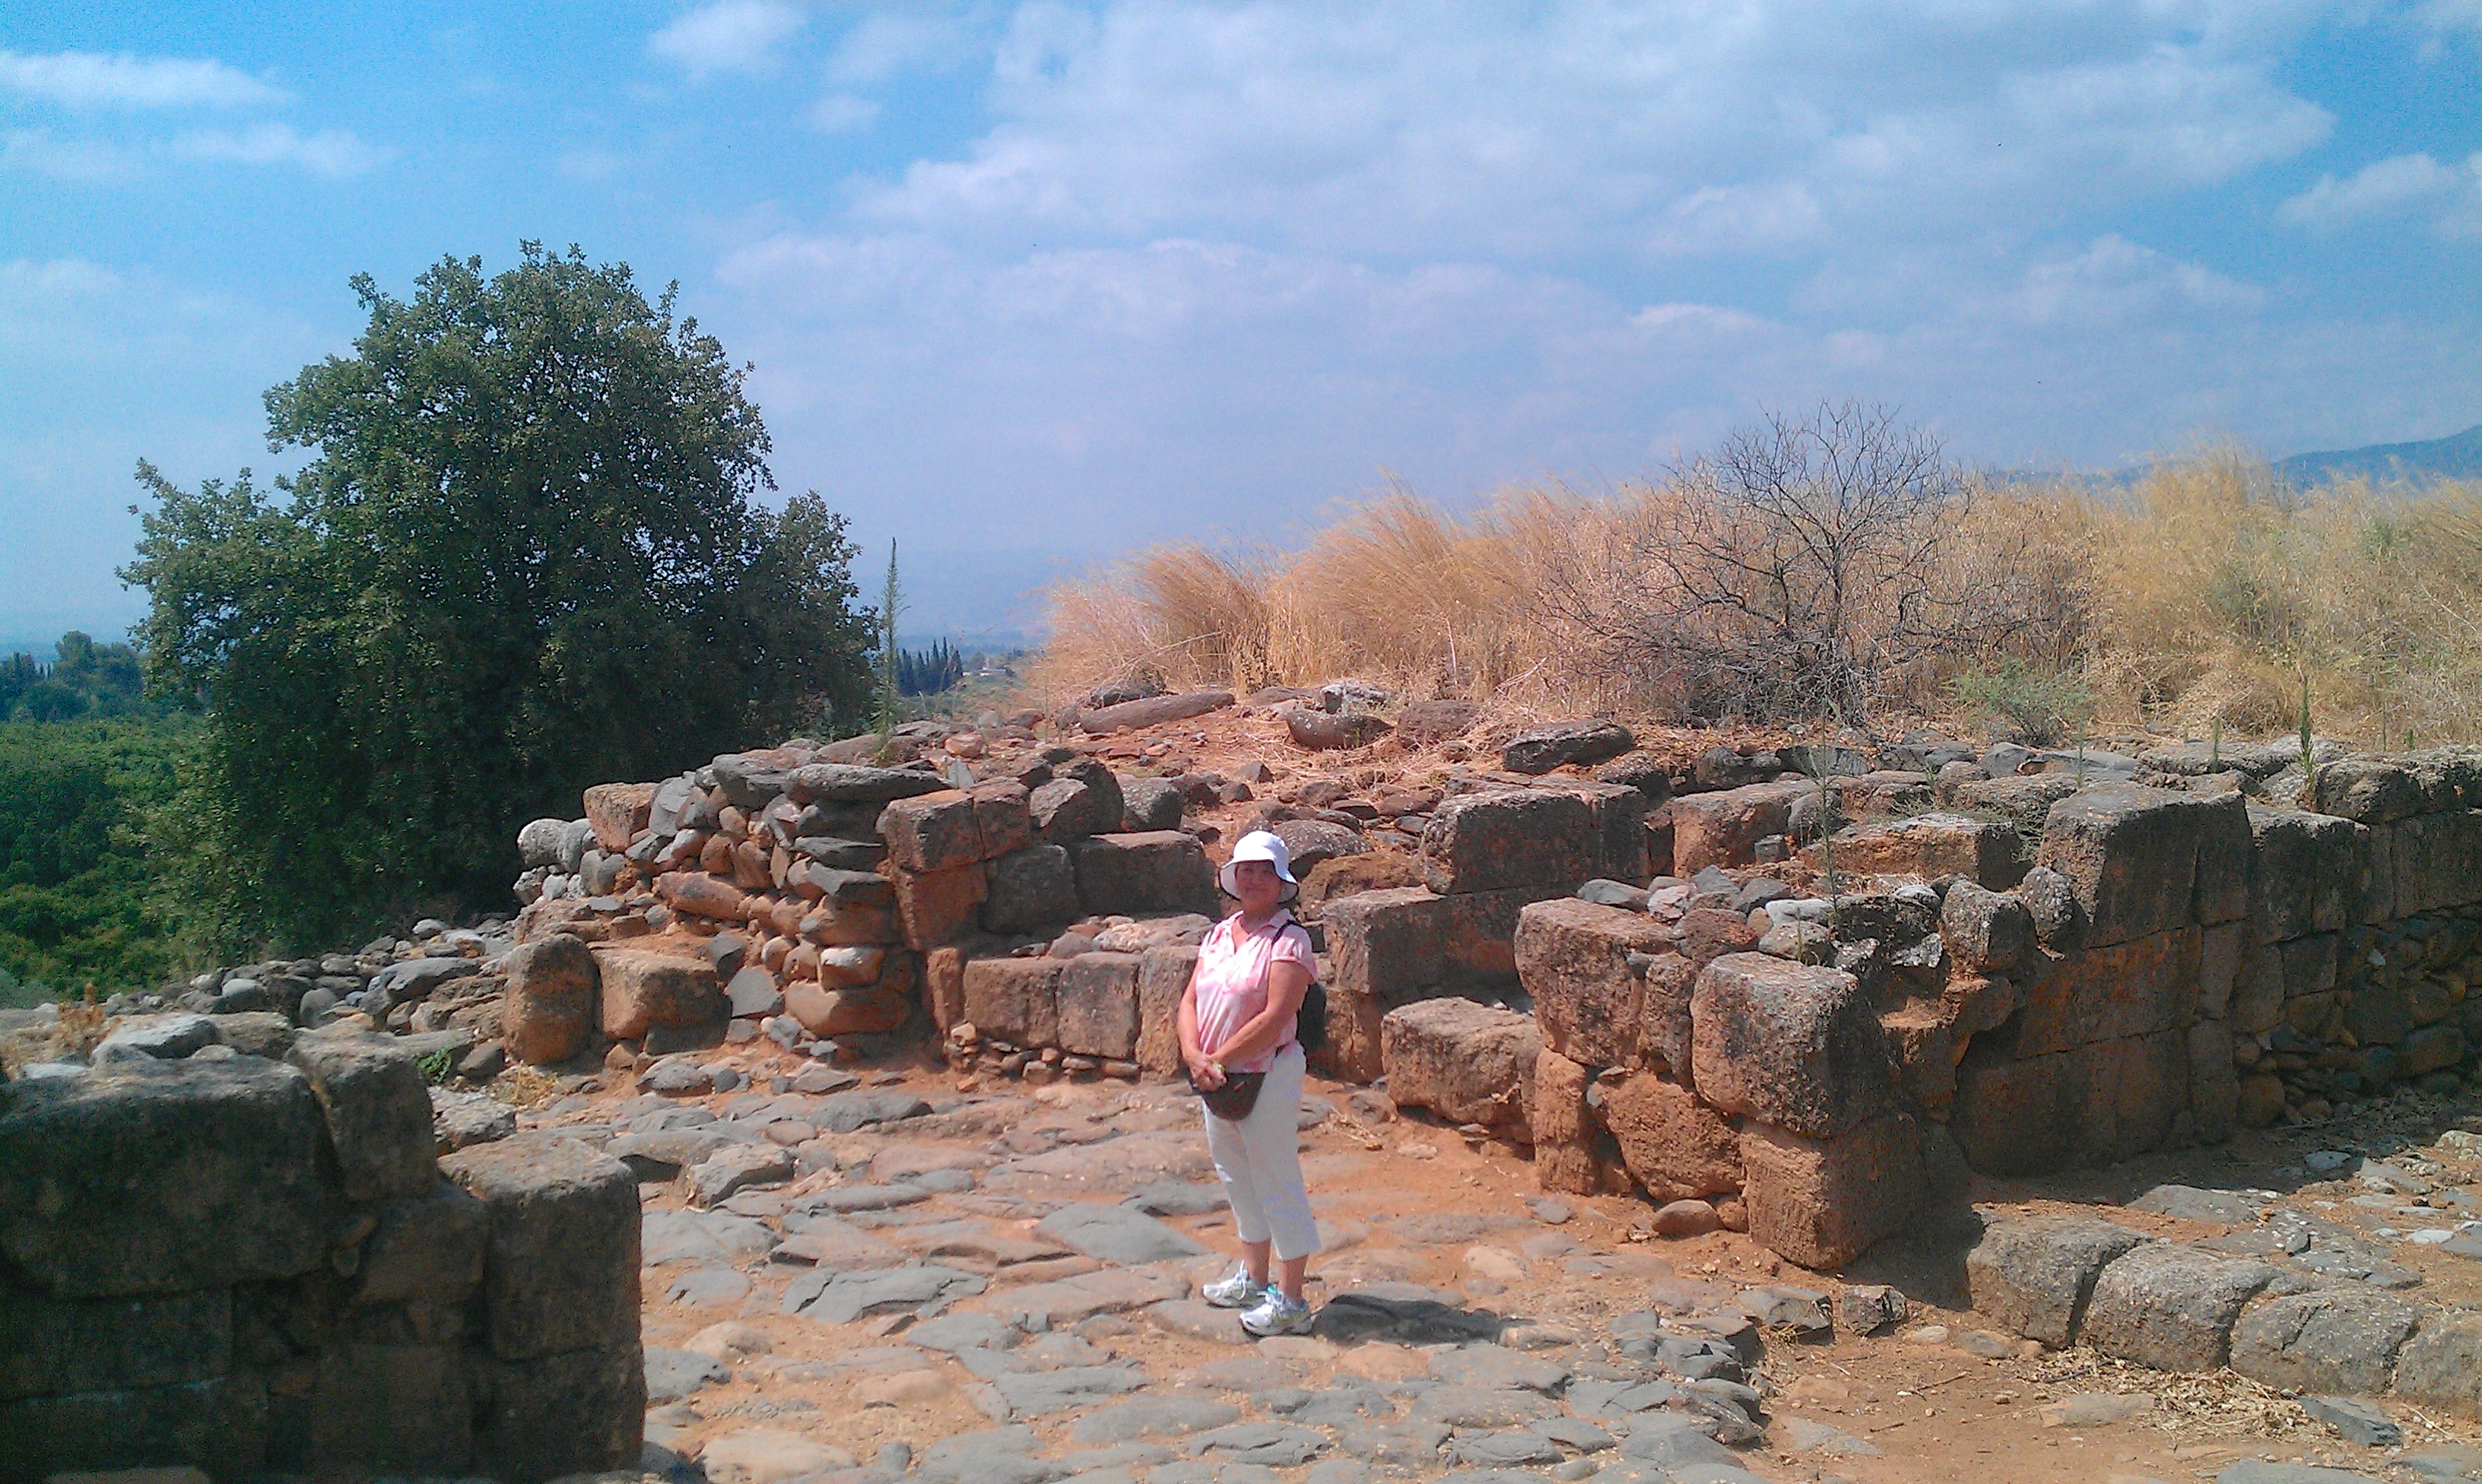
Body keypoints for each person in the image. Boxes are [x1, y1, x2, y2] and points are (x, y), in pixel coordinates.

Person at [1176, 829, 1321, 1337]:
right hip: (1218, 1076)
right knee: (1236, 1175)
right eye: (1246, 871)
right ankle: (1255, 1278)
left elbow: (1278, 1014)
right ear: (1233, 878)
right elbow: (1190, 1000)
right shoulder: (1219, 934)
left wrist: (1214, 1059)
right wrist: (1194, 1055)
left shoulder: (1290, 940)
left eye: (1265, 871)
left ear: (1282, 882)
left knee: (1276, 1178)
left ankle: (1292, 1299)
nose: (1255, 880)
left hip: (1267, 1072)